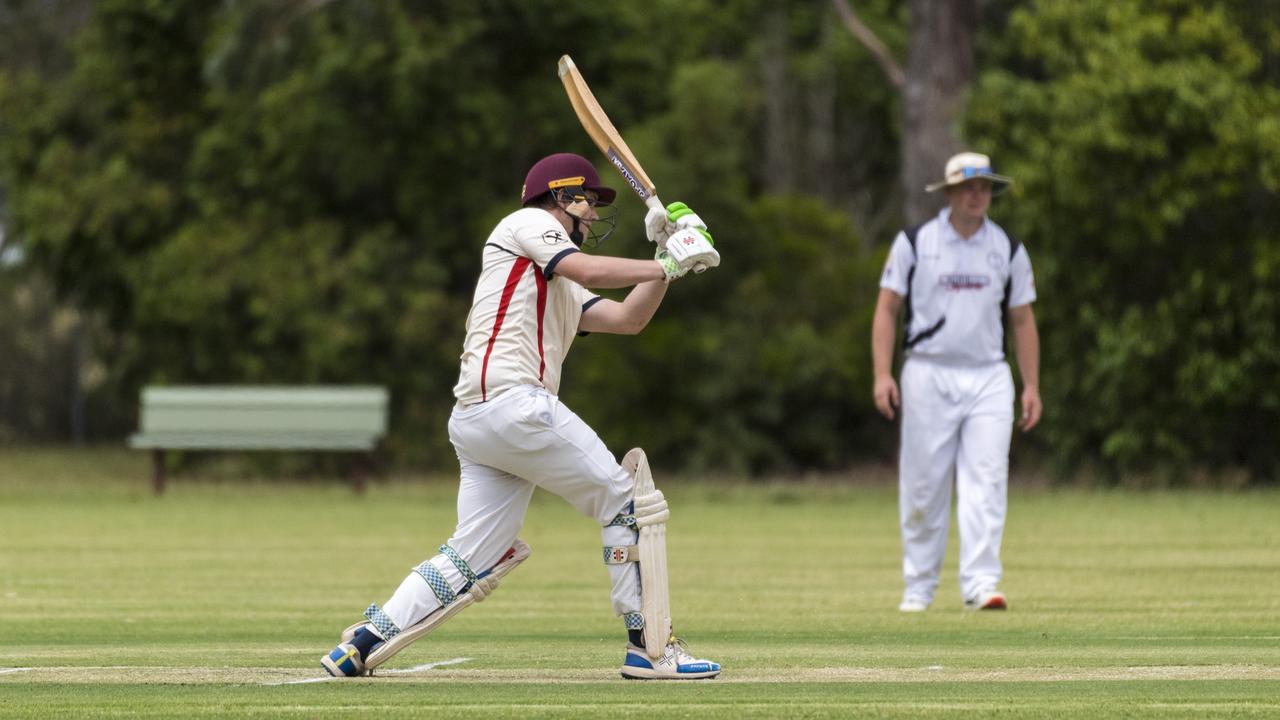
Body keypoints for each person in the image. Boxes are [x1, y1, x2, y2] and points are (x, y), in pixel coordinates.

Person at [322, 152, 722, 679]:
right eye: (590, 202)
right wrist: (669, 260)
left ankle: (362, 642)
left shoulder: (557, 278)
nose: (595, 216)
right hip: (515, 405)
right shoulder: (527, 224)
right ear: (562, 197)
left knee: (470, 556)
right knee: (624, 501)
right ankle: (650, 650)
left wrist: (664, 257)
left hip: (478, 421)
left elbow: (628, 319)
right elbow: (582, 265)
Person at [870, 151, 1041, 613]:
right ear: (949, 193)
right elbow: (887, 308)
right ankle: (919, 588)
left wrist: (1031, 385)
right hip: (928, 371)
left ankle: (982, 584)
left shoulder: (1006, 248)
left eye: (984, 187)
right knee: (924, 484)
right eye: (968, 187)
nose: (976, 195)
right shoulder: (916, 242)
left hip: (988, 374)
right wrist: (883, 374)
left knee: (986, 479)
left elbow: (1022, 319)